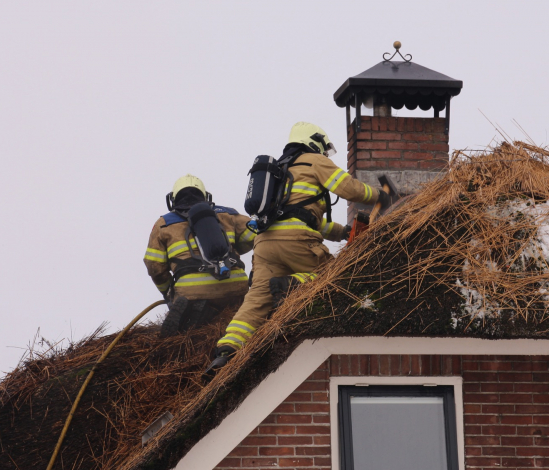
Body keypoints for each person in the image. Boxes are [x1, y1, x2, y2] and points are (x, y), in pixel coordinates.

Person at [207, 122, 391, 371]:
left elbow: (302, 216)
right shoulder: (313, 160)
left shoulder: (279, 172)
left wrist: (342, 232)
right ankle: (292, 284)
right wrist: (381, 195)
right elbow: (349, 189)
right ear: (315, 141)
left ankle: (226, 351)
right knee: (334, 276)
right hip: (297, 241)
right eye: (325, 148)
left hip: (264, 245)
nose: (326, 154)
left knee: (256, 301)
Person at [144, 174, 256, 336]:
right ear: (205, 195)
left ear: (173, 199)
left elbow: (154, 266)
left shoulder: (163, 224)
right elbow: (256, 236)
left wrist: (168, 292)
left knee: (189, 329)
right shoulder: (228, 214)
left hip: (191, 292)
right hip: (236, 286)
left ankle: (199, 313)